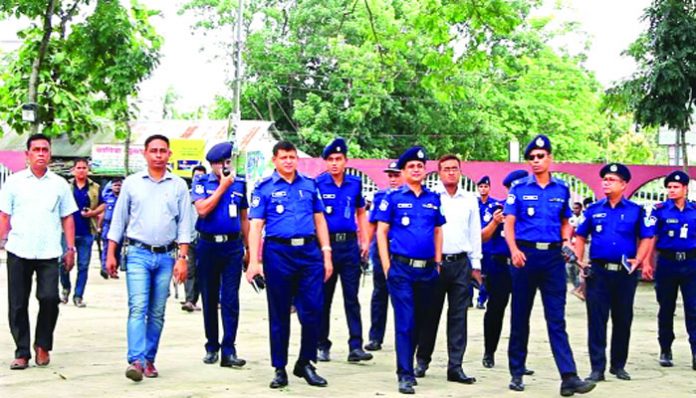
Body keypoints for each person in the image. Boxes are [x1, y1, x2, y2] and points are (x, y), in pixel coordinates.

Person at [503, 134, 595, 396]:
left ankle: (569, 377)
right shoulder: (519, 189)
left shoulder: (561, 189)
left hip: (553, 259)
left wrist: (566, 240)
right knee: (520, 316)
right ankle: (517, 372)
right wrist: (514, 250)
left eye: (540, 156)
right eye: (531, 157)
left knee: (556, 319)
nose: (536, 161)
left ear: (550, 158)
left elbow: (566, 221)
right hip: (525, 257)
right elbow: (508, 225)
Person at [245, 140, 333, 389]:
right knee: (280, 313)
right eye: (283, 157)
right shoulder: (264, 188)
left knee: (313, 310)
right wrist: (254, 261)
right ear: (275, 160)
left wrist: (326, 253)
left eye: (292, 157)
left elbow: (320, 220)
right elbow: (255, 226)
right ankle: (280, 368)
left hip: (309, 253)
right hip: (278, 253)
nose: (288, 161)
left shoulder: (309, 184)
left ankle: (305, 362)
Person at [106, 134, 192, 382]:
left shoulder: (178, 186)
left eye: (162, 151)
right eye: (153, 150)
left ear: (169, 155)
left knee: (156, 312)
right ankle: (136, 360)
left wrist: (182, 258)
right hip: (137, 254)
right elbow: (118, 221)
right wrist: (111, 253)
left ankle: (149, 359)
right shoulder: (132, 184)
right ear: (144, 154)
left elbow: (185, 224)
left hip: (166, 256)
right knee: (138, 307)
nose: (158, 155)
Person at [0, 133, 78, 370]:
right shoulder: (14, 182)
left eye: (45, 150)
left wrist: (71, 248)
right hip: (18, 250)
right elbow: (4, 215)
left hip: (49, 252)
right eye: (37, 150)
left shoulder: (59, 184)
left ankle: (42, 345)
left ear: (50, 154)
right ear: (27, 154)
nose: (41, 154)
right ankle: (22, 352)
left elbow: (67, 218)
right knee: (17, 303)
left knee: (50, 298)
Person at [374, 146, 445, 395]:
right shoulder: (392, 198)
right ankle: (404, 373)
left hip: (427, 271)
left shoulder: (433, 199)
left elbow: (438, 231)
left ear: (425, 171)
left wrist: (437, 262)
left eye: (419, 166)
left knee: (421, 321)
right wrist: (386, 266)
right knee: (405, 322)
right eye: (411, 166)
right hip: (401, 270)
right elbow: (381, 232)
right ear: (403, 172)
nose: (416, 170)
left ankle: (412, 363)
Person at [574, 163, 654, 382]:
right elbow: (580, 235)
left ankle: (618, 365)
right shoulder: (593, 210)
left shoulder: (635, 211)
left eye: (611, 179)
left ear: (624, 184)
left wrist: (639, 259)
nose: (606, 182)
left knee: (623, 319)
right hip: (598, 273)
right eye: (605, 179)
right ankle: (597, 368)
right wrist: (580, 261)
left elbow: (647, 237)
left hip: (624, 274)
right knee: (597, 320)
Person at [414, 154, 481, 384]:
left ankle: (455, 366)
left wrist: (477, 264)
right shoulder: (432, 197)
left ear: (460, 172)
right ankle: (422, 360)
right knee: (429, 315)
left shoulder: (470, 199)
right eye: (446, 169)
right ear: (439, 173)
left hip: (461, 263)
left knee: (458, 317)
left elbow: (475, 233)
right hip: (436, 263)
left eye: (455, 168)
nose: (451, 172)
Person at [316, 138, 372, 363]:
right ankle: (321, 344)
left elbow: (361, 212)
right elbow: (315, 217)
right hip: (326, 247)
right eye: (330, 159)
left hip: (349, 246)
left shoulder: (355, 183)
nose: (335, 163)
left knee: (352, 298)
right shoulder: (318, 184)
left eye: (339, 159)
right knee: (324, 298)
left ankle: (355, 346)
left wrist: (365, 240)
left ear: (346, 161)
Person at [191, 143, 248, 367]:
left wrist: (251, 250)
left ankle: (229, 349)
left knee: (231, 298)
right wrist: (222, 187)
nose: (223, 167)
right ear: (212, 164)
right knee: (209, 296)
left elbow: (244, 217)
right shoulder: (201, 183)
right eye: (219, 163)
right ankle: (212, 345)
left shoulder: (240, 184)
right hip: (207, 246)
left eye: (226, 162)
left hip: (232, 247)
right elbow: (203, 210)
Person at [643, 171, 696, 370]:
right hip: (667, 264)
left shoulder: (694, 211)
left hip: (691, 264)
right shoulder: (660, 211)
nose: (671, 190)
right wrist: (647, 263)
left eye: (676, 187)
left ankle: (695, 351)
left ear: (685, 189)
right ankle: (665, 349)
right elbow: (652, 238)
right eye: (669, 187)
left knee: (694, 309)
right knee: (666, 308)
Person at [480, 169, 531, 371]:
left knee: (521, 313)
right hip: (499, 265)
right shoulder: (497, 209)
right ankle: (489, 352)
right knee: (495, 310)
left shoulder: (530, 212)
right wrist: (495, 221)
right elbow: (482, 237)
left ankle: (518, 361)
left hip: (522, 266)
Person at [365, 161, 403, 352]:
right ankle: (375, 337)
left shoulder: (410, 196)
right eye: (390, 175)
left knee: (402, 296)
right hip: (381, 251)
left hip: (402, 252)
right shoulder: (380, 196)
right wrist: (364, 246)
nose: (393, 179)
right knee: (380, 293)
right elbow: (372, 224)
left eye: (396, 175)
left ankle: (404, 337)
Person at [60, 158, 104, 307]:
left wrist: (93, 213)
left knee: (83, 265)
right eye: (78, 168)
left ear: (88, 170)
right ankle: (65, 288)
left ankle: (78, 295)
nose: (81, 170)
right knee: (63, 262)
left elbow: (103, 204)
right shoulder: (65, 187)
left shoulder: (95, 187)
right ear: (73, 170)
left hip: (86, 231)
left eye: (84, 168)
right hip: (66, 232)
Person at [182, 165, 207, 312]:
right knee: (190, 270)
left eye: (201, 176)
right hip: (190, 238)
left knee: (204, 271)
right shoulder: (186, 196)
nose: (198, 179)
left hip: (206, 239)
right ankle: (190, 300)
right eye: (196, 176)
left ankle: (209, 299)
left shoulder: (211, 195)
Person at [473, 176, 494, 309]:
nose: (483, 189)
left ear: (489, 188)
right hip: (473, 243)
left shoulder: (494, 205)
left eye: (485, 186)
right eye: (480, 186)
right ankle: (467, 298)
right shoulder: (473, 203)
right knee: (468, 271)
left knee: (485, 274)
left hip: (488, 245)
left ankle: (482, 299)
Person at [99, 178, 123, 279]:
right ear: (111, 187)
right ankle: (105, 268)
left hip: (121, 227)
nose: (117, 187)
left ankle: (114, 270)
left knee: (117, 250)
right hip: (107, 226)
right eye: (115, 185)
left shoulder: (124, 198)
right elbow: (101, 212)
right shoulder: (106, 198)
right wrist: (99, 227)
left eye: (119, 185)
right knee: (106, 248)